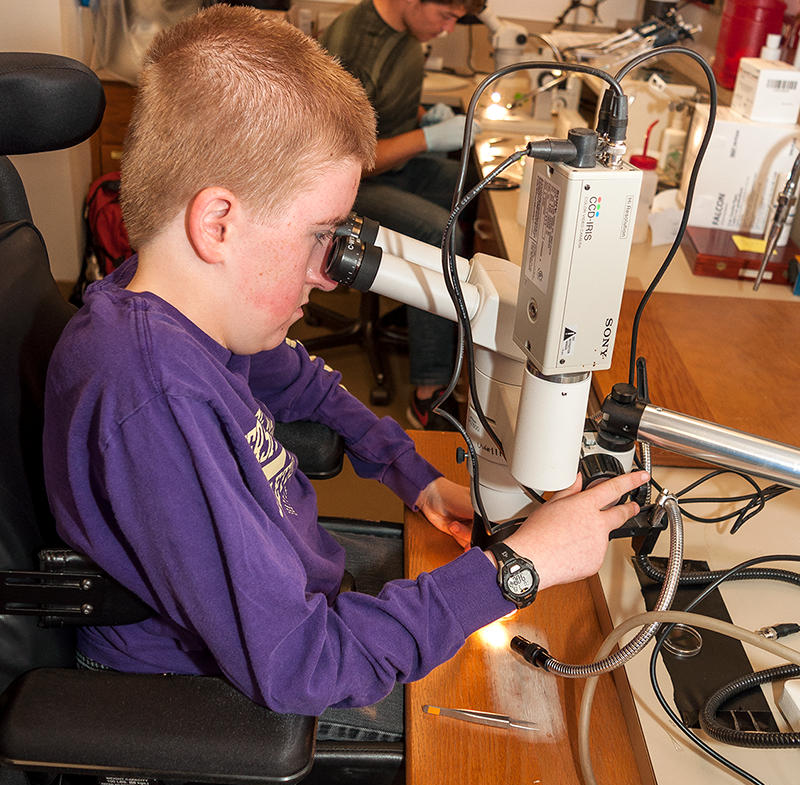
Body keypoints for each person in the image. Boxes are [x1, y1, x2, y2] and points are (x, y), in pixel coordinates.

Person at [43, 4, 648, 745]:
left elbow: (304, 384)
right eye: (319, 235)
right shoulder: (152, 394)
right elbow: (303, 665)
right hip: (216, 685)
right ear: (219, 224)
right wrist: (517, 569)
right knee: (536, 730)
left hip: (291, 606)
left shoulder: (177, 304)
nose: (330, 275)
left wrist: (412, 473)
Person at [320, 0, 482, 431]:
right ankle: (429, 390)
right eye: (446, 16)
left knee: (479, 186)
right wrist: (426, 137)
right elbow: (343, 157)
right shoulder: (354, 47)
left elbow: (378, 106)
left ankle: (438, 316)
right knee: (437, 231)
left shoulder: (406, 32)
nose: (448, 29)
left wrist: (421, 117)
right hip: (351, 184)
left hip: (393, 166)